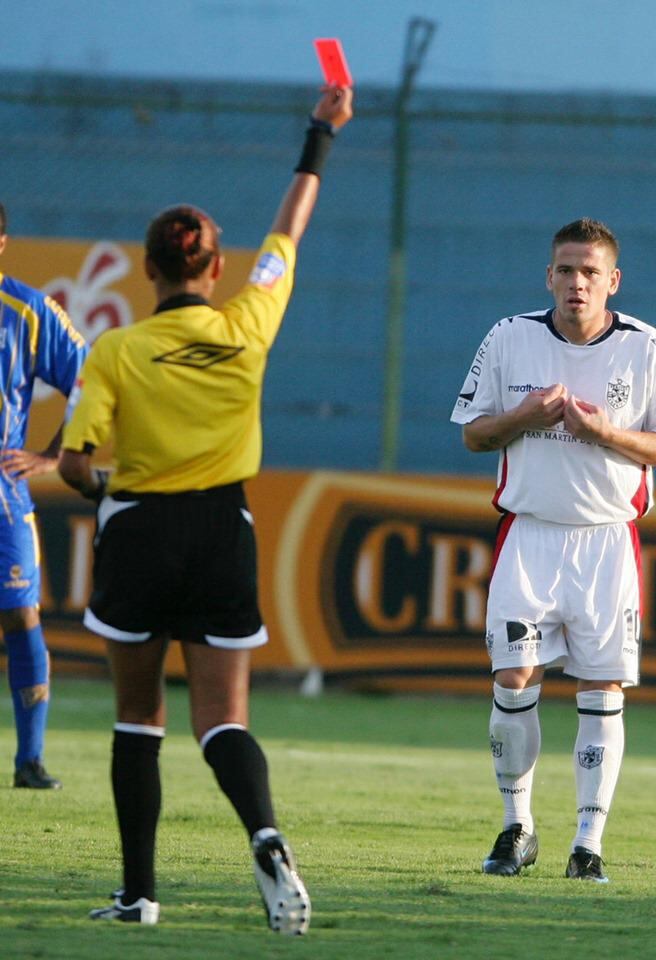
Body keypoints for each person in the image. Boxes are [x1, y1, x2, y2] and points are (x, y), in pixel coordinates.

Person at [58, 85, 352, 931]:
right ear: (215, 269)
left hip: (142, 528)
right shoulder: (250, 320)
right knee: (222, 719)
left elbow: (79, 464)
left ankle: (138, 895)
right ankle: (263, 831)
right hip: (224, 529)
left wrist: (104, 485)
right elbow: (287, 232)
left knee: (137, 718)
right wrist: (321, 133)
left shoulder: (116, 348)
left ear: (149, 268)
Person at [450, 218, 656, 883]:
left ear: (612, 281)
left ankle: (587, 845)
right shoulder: (510, 336)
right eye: (565, 269)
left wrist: (606, 432)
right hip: (529, 533)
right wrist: (527, 417)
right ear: (548, 276)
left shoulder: (645, 347)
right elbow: (473, 434)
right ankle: (516, 827)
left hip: (607, 541)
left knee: (601, 687)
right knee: (511, 679)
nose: (576, 283)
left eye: (590, 271)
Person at [0, 203, 88, 790]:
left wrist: (54, 455)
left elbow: (93, 378)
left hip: (2, 494)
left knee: (20, 610)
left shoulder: (27, 311)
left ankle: (30, 760)